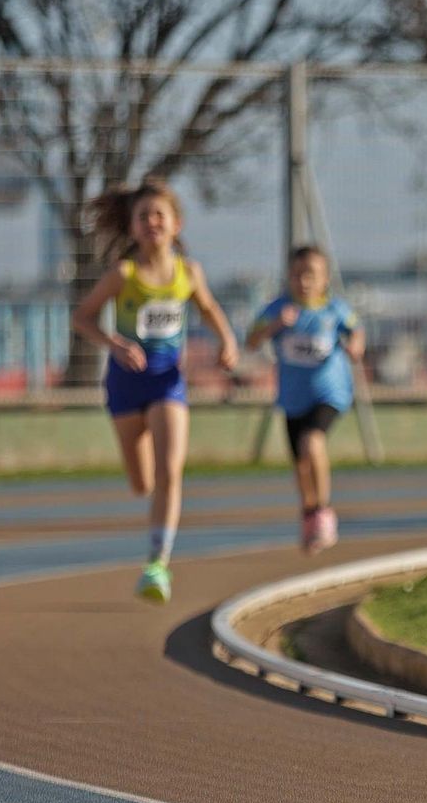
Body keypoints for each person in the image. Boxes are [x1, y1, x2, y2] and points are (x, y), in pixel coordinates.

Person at [71, 178, 239, 603]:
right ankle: (154, 537)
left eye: (159, 215)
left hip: (168, 382)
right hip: (126, 384)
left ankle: (157, 565)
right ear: (131, 227)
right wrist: (115, 343)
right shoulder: (123, 274)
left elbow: (208, 307)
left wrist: (227, 342)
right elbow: (83, 318)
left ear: (176, 224)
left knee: (169, 472)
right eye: (143, 216)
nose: (152, 222)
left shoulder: (188, 272)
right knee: (141, 482)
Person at [246, 246, 365, 553]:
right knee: (300, 464)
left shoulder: (334, 310)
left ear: (325, 278)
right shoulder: (278, 309)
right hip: (293, 398)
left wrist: (355, 347)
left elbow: (356, 331)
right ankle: (309, 515)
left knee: (312, 443)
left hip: (330, 393)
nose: (304, 281)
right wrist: (276, 326)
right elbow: (251, 341)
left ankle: (324, 510)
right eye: (297, 274)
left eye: (311, 274)